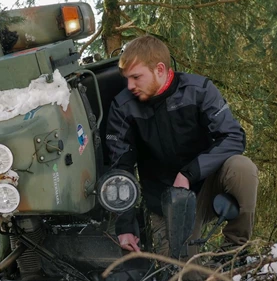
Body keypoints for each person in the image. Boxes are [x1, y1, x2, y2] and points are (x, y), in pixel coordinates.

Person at [105, 35, 259, 257]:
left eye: (136, 77)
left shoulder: (199, 90)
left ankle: (235, 252)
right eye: (126, 78)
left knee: (242, 168)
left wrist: (189, 173)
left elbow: (234, 137)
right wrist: (125, 226)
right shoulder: (123, 107)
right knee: (183, 278)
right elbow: (120, 169)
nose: (130, 86)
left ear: (159, 69)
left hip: (206, 186)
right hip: (165, 203)